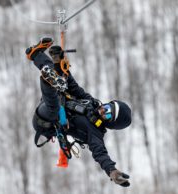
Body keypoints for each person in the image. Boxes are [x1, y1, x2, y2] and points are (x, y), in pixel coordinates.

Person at [26, 37, 132, 187]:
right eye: (108, 107)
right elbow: (74, 87)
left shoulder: (95, 132)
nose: (104, 111)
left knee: (55, 106)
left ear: (110, 123)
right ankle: (35, 54)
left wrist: (112, 171)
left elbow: (100, 153)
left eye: (108, 115)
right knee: (57, 74)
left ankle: (47, 80)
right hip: (52, 101)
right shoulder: (91, 102)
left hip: (46, 122)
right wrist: (60, 63)